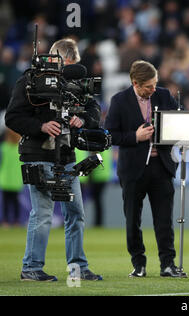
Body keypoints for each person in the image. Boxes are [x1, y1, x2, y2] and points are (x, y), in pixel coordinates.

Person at [105, 60, 189, 278]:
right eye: (148, 86)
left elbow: (183, 124)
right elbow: (109, 135)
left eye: (155, 84)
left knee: (164, 220)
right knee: (132, 220)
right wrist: (134, 136)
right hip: (132, 170)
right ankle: (138, 264)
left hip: (162, 167)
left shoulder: (164, 95)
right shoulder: (119, 101)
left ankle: (167, 265)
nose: (153, 89)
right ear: (135, 83)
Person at [5, 38, 103, 282]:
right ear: (55, 59)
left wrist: (84, 120)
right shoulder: (30, 81)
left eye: (73, 67)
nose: (69, 73)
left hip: (67, 156)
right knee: (43, 213)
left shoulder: (77, 83)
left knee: (76, 213)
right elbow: (12, 117)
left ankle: (77, 267)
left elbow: (93, 107)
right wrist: (41, 125)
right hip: (39, 154)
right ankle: (31, 267)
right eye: (67, 66)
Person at [0, 128, 23, 227]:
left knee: (6, 202)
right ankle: (16, 221)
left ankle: (5, 221)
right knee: (15, 202)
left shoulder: (3, 147)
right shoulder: (20, 148)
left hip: (5, 179)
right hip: (17, 180)